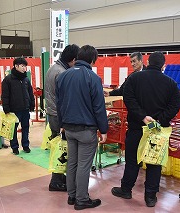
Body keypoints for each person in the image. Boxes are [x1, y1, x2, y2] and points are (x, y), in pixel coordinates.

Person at [111, 51, 180, 207]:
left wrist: (143, 117)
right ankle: (150, 196)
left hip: (137, 127)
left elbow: (128, 99)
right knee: (154, 163)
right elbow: (175, 106)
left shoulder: (134, 79)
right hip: (157, 131)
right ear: (164, 66)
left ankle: (126, 189)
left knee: (132, 160)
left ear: (147, 62)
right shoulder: (171, 83)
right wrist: (159, 119)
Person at [56, 45, 108, 210]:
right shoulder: (93, 78)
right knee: (84, 165)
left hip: (69, 128)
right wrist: (104, 129)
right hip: (86, 129)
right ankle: (82, 199)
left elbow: (59, 104)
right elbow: (99, 107)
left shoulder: (63, 76)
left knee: (72, 162)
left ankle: (72, 196)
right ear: (92, 60)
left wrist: (61, 124)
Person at [44, 44, 80, 192]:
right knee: (61, 148)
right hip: (58, 116)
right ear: (72, 60)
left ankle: (59, 177)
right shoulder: (62, 73)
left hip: (53, 113)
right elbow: (65, 99)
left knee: (60, 146)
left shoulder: (54, 68)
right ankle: (56, 181)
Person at [1, 57, 35, 155]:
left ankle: (25, 145)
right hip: (13, 110)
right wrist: (6, 108)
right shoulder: (8, 80)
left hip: (25, 109)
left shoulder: (26, 79)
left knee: (26, 128)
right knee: (13, 130)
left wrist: (32, 104)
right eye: (22, 66)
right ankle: (14, 147)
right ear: (16, 66)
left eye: (25, 66)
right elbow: (5, 95)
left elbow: (30, 93)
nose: (24, 68)